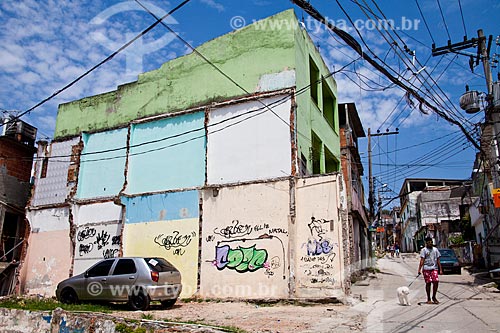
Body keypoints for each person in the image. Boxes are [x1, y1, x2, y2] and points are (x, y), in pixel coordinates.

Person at [418, 236, 443, 304]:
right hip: (426, 269)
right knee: (428, 283)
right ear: (426, 243)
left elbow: (438, 260)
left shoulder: (435, 250)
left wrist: (440, 269)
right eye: (429, 242)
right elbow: (422, 260)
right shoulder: (424, 250)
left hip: (434, 268)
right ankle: (428, 298)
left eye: (431, 242)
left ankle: (434, 297)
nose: (430, 243)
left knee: (436, 281)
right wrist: (419, 269)